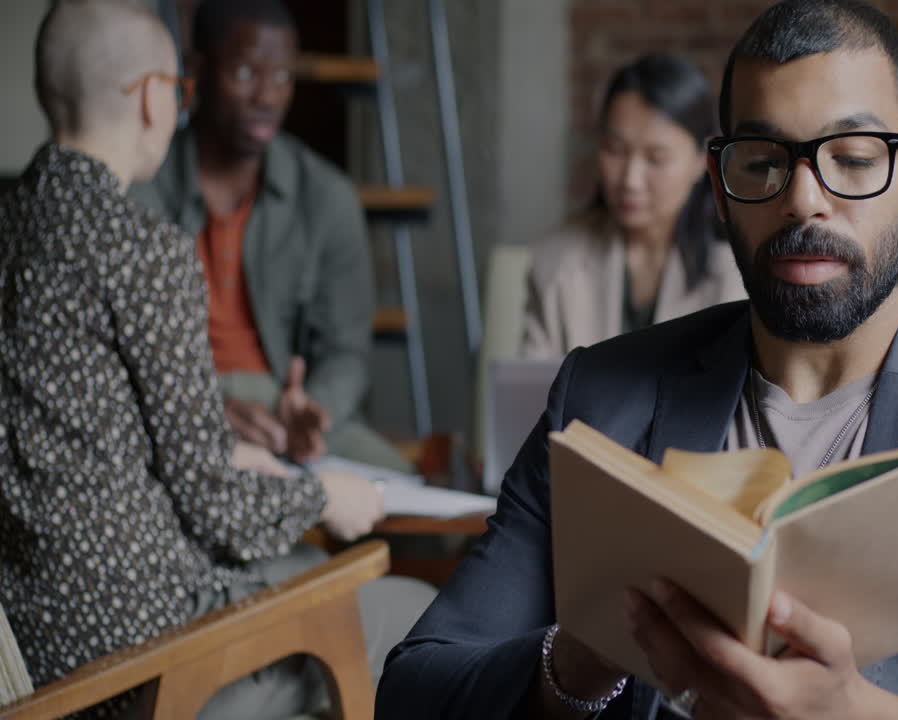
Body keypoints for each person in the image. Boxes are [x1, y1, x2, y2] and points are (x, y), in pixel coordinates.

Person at [375, 1, 898, 718]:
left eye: (854, 157)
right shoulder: (600, 396)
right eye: (763, 161)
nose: (804, 198)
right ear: (720, 183)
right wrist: (584, 655)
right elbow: (415, 690)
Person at [0, 2, 431, 717]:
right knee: (416, 610)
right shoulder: (141, 250)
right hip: (146, 660)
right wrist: (326, 498)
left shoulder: (12, 223)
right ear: (151, 96)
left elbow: (76, 433)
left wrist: (232, 459)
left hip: (39, 639)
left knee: (310, 568)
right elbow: (212, 504)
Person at [132, 0, 412, 473]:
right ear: (197, 70)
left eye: (283, 77)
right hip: (177, 412)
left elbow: (347, 352)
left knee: (399, 485)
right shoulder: (144, 187)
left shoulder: (326, 196)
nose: (267, 96)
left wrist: (312, 411)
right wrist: (200, 412)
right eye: (245, 73)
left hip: (285, 410)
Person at [521, 54, 746, 358]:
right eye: (615, 150)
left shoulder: (737, 271)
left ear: (701, 160)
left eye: (656, 158)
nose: (631, 180)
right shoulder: (557, 262)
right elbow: (531, 382)